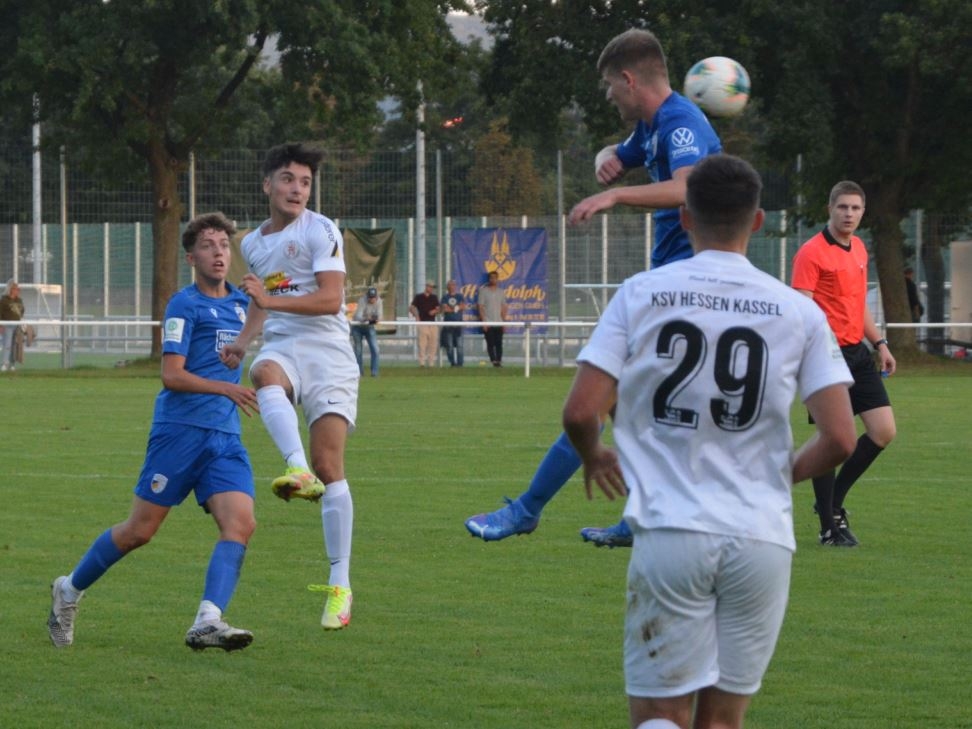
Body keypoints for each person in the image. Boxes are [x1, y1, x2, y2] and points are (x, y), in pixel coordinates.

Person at [562, 155, 857, 729]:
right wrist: (779, 476)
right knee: (722, 721)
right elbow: (841, 437)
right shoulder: (798, 311)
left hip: (671, 530)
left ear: (685, 218)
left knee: (660, 714)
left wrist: (593, 454)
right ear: (758, 221)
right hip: (761, 537)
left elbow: (579, 411)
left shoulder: (642, 293)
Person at [465, 28, 720, 545]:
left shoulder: (681, 122)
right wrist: (609, 154)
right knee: (627, 409)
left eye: (609, 85)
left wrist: (616, 196)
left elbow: (686, 186)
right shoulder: (652, 127)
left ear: (629, 79)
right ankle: (638, 517)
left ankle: (527, 510)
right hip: (669, 284)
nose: (607, 95)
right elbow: (621, 154)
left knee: (598, 399)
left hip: (686, 288)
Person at [47, 212, 259, 651]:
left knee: (241, 524)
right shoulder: (184, 305)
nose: (219, 253)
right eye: (208, 246)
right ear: (191, 258)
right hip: (179, 432)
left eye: (224, 245)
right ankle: (68, 590)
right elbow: (171, 375)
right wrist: (225, 387)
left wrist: (263, 300)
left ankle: (208, 620)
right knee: (139, 531)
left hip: (225, 437)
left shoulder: (242, 302)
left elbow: (262, 317)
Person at [220, 143, 357, 630]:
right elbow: (264, 297)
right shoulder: (252, 243)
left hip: (329, 355)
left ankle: (340, 585)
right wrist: (242, 342)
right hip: (283, 345)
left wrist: (270, 302)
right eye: (287, 179)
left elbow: (330, 299)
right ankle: (296, 469)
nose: (297, 189)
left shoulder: (321, 230)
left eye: (305, 182)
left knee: (330, 466)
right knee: (262, 373)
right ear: (267, 185)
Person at [791, 180, 898, 547]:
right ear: (830, 209)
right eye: (843, 207)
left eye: (855, 208)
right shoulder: (811, 253)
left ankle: (832, 503)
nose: (849, 214)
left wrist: (880, 343)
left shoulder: (860, 249)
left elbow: (858, 304)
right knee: (833, 438)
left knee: (883, 431)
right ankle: (828, 528)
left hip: (857, 353)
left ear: (863, 212)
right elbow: (801, 310)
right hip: (824, 355)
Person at [477, 270, 508, 366]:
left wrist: (504, 322)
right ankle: (493, 361)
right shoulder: (483, 291)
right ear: (489, 279)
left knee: (499, 343)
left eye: (495, 278)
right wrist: (484, 322)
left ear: (497, 279)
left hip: (499, 322)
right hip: (488, 322)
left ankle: (499, 361)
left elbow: (503, 307)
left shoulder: (501, 292)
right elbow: (480, 307)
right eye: (491, 278)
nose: (493, 280)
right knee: (490, 343)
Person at [352, 287, 381, 377]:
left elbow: (380, 316)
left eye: (373, 297)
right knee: (358, 350)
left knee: (375, 349)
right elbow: (358, 316)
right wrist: (366, 318)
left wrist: (374, 319)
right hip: (357, 327)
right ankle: (359, 372)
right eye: (370, 297)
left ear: (376, 297)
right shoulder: (362, 300)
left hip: (369, 327)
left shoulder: (379, 302)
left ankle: (374, 372)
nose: (371, 299)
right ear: (367, 296)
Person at [409, 281, 440, 367]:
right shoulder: (419, 297)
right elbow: (411, 307)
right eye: (430, 287)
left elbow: (438, 309)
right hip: (423, 323)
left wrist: (434, 311)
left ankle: (431, 363)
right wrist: (416, 316)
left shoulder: (434, 297)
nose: (432, 289)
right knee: (422, 344)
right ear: (427, 287)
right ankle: (422, 362)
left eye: (433, 288)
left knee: (433, 344)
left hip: (432, 323)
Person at [1, 279, 25, 372]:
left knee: (15, 345)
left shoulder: (19, 300)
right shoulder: (4, 300)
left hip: (17, 325)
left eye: (18, 289)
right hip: (7, 325)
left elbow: (22, 311)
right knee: (7, 344)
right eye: (16, 289)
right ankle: (5, 363)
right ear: (11, 289)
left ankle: (12, 364)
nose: (18, 291)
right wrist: (1, 325)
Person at [440, 279, 465, 367]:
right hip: (448, 324)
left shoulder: (460, 296)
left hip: (458, 324)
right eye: (450, 285)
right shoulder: (445, 297)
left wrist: (453, 308)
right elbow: (445, 309)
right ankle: (452, 363)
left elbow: (463, 306)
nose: (452, 287)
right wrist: (456, 308)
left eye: (454, 285)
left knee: (459, 345)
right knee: (449, 345)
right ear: (447, 287)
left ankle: (460, 364)